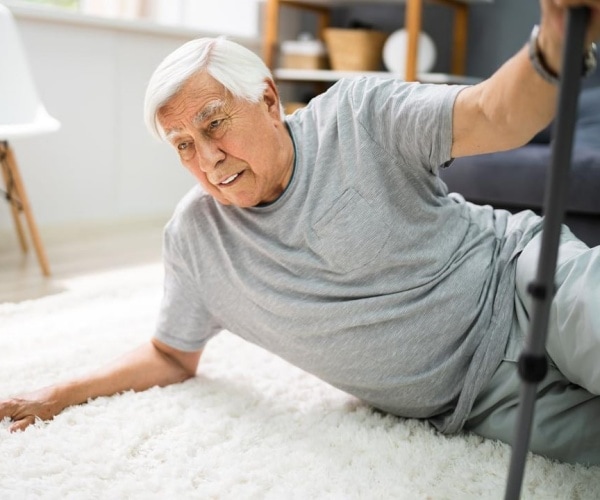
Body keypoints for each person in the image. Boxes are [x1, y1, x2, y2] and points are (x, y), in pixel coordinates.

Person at [1, 0, 599, 466]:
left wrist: (551, 46)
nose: (207, 158)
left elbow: (493, 115)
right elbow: (170, 354)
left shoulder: (361, 115)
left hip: (523, 282)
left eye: (215, 125)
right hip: (480, 404)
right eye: (184, 146)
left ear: (267, 98)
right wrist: (58, 394)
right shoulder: (195, 239)